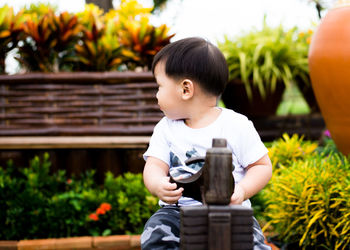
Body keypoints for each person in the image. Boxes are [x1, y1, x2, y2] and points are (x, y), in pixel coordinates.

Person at [141, 37, 272, 250]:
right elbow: (154, 165)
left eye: (160, 86)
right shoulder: (166, 128)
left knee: (252, 242)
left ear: (186, 89)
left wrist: (242, 190)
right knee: (155, 234)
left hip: (231, 209)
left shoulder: (236, 125)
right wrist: (157, 184)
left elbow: (261, 166)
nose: (156, 94)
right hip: (176, 213)